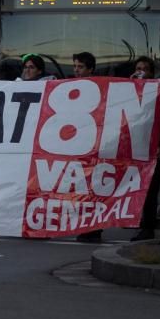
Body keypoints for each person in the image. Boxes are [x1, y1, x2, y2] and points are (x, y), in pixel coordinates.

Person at [130, 56, 160, 241]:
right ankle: (142, 223)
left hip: (153, 148)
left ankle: (148, 226)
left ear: (151, 73)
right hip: (136, 147)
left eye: (144, 68)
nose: (140, 71)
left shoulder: (159, 93)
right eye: (137, 68)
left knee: (150, 188)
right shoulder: (131, 92)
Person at [73, 51, 101, 243]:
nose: (76, 70)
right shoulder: (70, 87)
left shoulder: (100, 87)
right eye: (75, 66)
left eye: (80, 67)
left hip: (94, 147)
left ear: (91, 69)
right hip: (77, 146)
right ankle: (86, 226)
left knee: (94, 188)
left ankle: (94, 228)